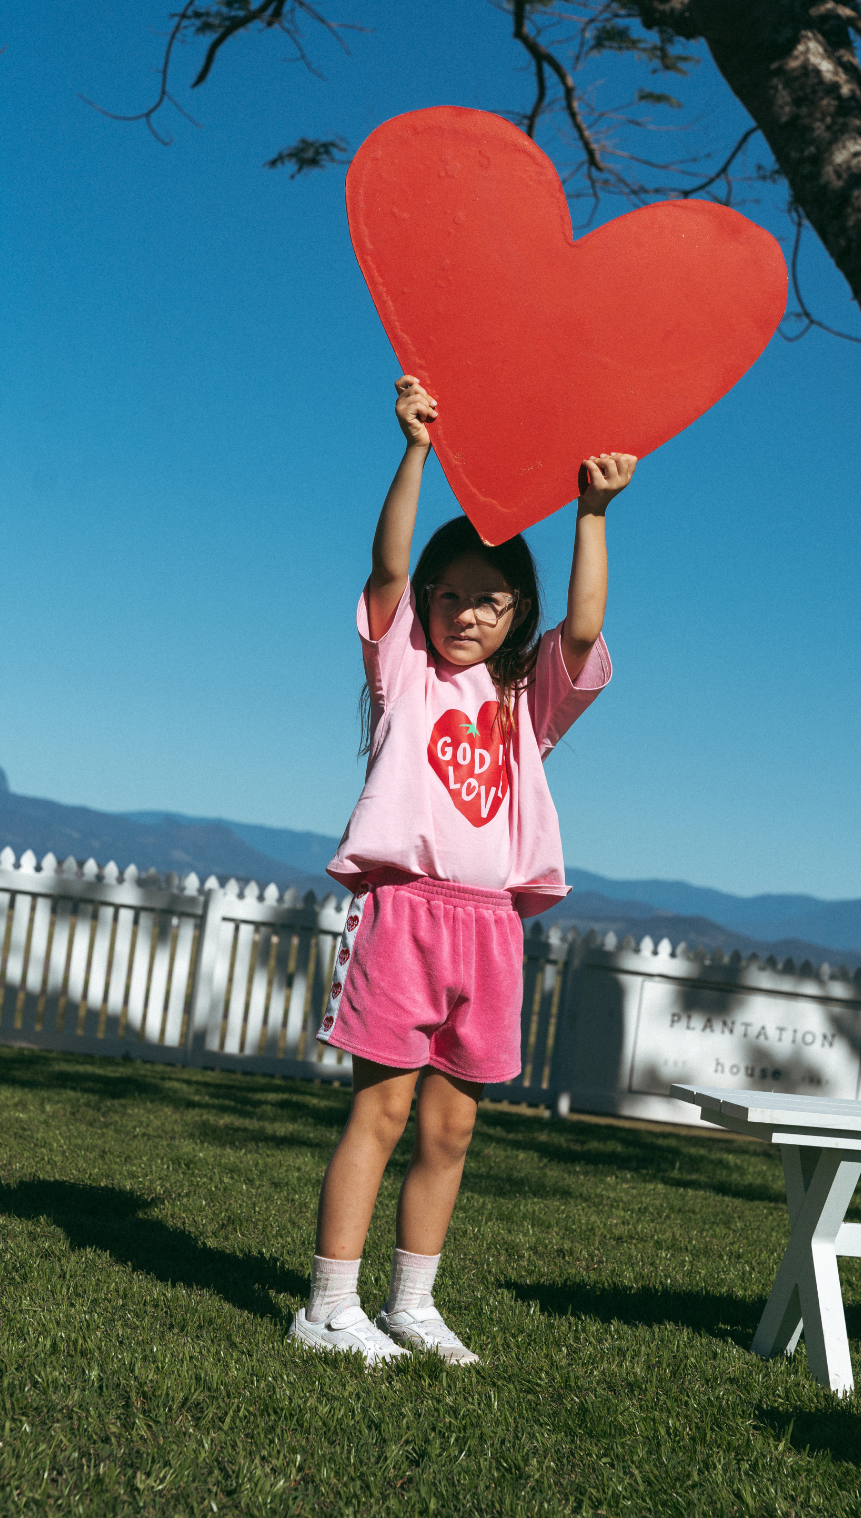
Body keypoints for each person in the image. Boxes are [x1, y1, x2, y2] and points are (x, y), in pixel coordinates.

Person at [287, 374, 636, 1365]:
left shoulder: (526, 702)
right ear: (427, 608)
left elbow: (581, 628)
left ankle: (413, 1305)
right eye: (452, 597)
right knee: (384, 1108)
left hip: (490, 927)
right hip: (404, 913)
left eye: (489, 599)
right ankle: (326, 1308)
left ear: (511, 607)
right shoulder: (404, 670)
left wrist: (592, 515)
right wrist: (417, 453)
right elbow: (388, 560)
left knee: (451, 1129)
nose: (468, 613)